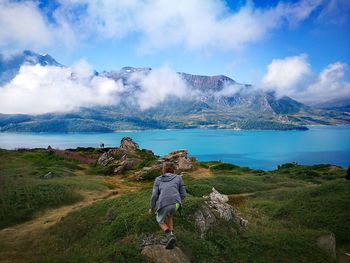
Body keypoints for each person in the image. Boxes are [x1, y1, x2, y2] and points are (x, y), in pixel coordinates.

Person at [149, 162, 186, 249]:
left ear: (164, 169)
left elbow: (154, 195)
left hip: (164, 203)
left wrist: (152, 207)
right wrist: (178, 201)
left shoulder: (158, 179)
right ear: (174, 169)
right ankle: (170, 238)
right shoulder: (179, 178)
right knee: (170, 216)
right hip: (177, 204)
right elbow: (183, 194)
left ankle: (169, 236)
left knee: (160, 220)